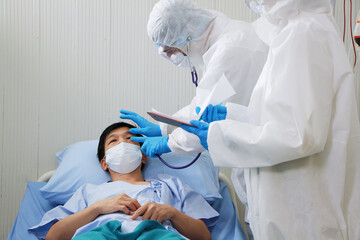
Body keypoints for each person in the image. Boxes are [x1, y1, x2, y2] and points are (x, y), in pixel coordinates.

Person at [181, 0, 360, 239]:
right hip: (293, 208)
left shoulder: (303, 34)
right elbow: (286, 116)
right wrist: (233, 116)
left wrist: (219, 135)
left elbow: (299, 135)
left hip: (304, 214)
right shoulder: (293, 32)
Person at [120, 0, 268, 158]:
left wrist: (168, 143)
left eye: (170, 49)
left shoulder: (230, 50)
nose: (170, 56)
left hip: (267, 160)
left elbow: (207, 122)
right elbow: (201, 107)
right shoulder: (221, 43)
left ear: (188, 34)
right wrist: (164, 129)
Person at [29, 122, 218, 240]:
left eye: (130, 139)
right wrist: (97, 208)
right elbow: (54, 236)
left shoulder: (171, 185)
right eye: (113, 141)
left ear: (143, 156)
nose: (122, 143)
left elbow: (203, 235)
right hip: (100, 234)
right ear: (104, 162)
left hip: (155, 233)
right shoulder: (89, 192)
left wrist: (171, 213)